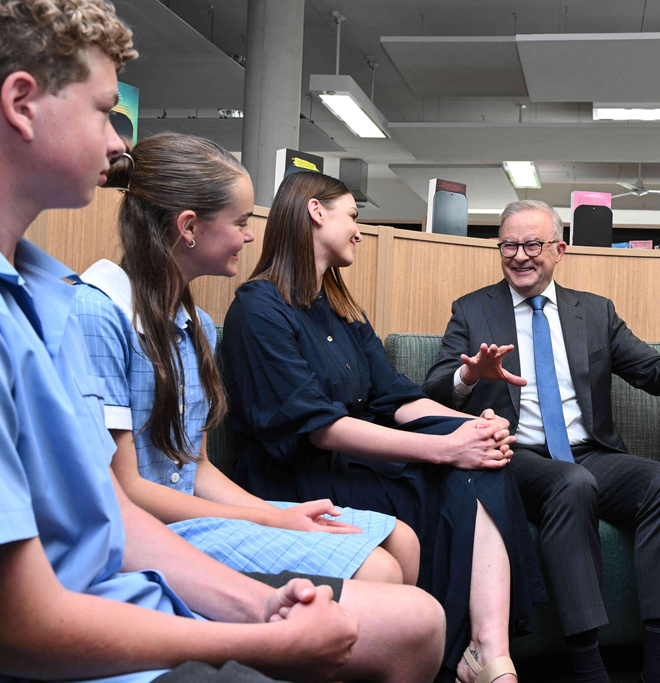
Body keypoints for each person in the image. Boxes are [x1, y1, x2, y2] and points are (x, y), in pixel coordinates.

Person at [0, 1, 444, 682]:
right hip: (116, 581)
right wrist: (267, 612)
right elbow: (43, 596)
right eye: (104, 111)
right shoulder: (91, 308)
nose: (122, 143)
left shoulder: (52, 295)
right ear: (23, 104)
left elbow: (135, 494)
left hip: (131, 567)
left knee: (409, 589)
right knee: (400, 604)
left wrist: (269, 560)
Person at [219, 170, 545, 683]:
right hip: (298, 477)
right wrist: (444, 451)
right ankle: (473, 654)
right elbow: (320, 428)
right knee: (458, 470)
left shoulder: (344, 308)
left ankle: (488, 651)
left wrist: (472, 427)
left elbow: (398, 398)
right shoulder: (257, 309)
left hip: (357, 463)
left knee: (480, 462)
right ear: (315, 212)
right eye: (353, 215)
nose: (359, 230)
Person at [422, 199, 660, 683]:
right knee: (570, 484)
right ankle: (587, 664)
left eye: (533, 244)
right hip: (514, 455)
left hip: (590, 453)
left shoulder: (594, 311)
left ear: (559, 249)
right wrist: (468, 377)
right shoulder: (473, 310)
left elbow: (647, 368)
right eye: (508, 245)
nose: (520, 256)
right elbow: (434, 385)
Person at [73, 132, 421, 585]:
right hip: (139, 528)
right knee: (379, 571)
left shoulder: (196, 321)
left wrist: (280, 515)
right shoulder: (98, 311)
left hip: (190, 514)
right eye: (239, 222)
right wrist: (270, 520)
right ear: (190, 227)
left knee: (402, 541)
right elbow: (126, 490)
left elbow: (194, 467)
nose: (251, 234)